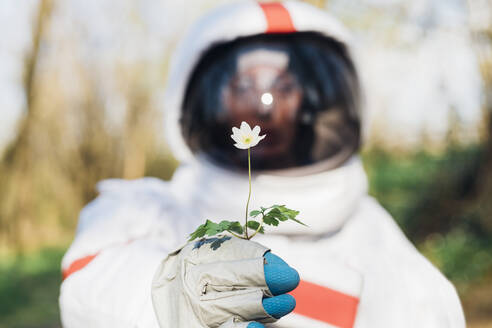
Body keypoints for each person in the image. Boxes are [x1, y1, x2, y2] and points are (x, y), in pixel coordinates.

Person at [59, 1, 466, 327]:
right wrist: (162, 300)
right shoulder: (150, 208)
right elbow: (90, 278)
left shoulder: (371, 229)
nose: (264, 105)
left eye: (283, 86)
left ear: (309, 100)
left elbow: (429, 308)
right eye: (244, 86)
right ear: (210, 99)